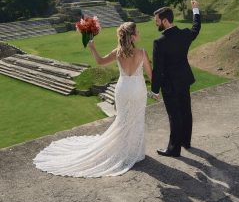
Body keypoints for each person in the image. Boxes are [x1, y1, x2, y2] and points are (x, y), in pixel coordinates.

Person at [33, 22, 152, 177]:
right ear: (133, 35)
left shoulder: (117, 52)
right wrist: (157, 90)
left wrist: (92, 48)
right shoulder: (142, 53)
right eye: (137, 30)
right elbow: (151, 75)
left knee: (123, 120)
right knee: (136, 119)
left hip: (122, 89)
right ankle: (134, 152)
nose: (139, 32)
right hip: (137, 90)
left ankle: (124, 150)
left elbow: (100, 62)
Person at [151, 0, 201, 157]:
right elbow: (196, 28)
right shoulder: (185, 34)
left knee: (174, 116)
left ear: (165, 21)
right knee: (186, 111)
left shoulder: (159, 42)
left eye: (157, 21)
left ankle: (174, 149)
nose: (156, 24)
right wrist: (196, 11)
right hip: (184, 80)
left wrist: (154, 89)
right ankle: (186, 141)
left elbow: (158, 69)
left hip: (169, 85)